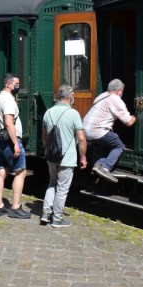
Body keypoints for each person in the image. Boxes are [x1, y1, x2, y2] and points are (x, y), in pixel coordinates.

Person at [40, 85, 87, 228]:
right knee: (62, 188)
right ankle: (57, 219)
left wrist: (47, 150)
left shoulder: (48, 112)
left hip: (51, 157)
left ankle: (45, 214)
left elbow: (44, 137)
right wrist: (83, 157)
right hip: (67, 159)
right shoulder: (73, 114)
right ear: (71, 97)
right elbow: (82, 139)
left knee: (52, 183)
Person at [83, 78, 136, 183]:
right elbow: (129, 122)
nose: (122, 93)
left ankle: (97, 165)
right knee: (119, 146)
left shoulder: (101, 96)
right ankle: (106, 168)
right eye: (122, 91)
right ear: (118, 91)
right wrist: (137, 115)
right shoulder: (116, 100)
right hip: (97, 131)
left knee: (108, 143)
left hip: (85, 131)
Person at [0, 73, 31, 219]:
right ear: (8, 84)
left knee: (1, 171)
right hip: (10, 141)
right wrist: (16, 144)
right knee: (21, 172)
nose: (18, 86)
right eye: (16, 84)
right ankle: (15, 208)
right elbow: (8, 122)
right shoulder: (8, 100)